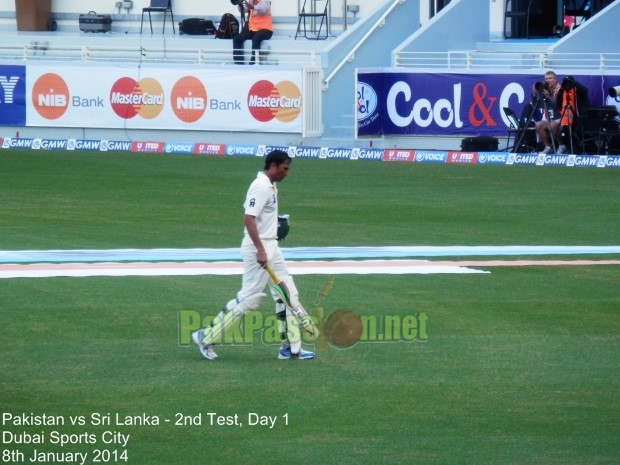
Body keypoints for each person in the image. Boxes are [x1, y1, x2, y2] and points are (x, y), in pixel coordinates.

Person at [192, 150, 315, 361]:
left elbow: (262, 220)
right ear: (273, 166)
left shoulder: (271, 186)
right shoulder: (260, 186)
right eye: (285, 169)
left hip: (271, 247)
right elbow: (248, 219)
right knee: (250, 299)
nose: (287, 173)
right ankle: (206, 336)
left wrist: (275, 232)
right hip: (257, 250)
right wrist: (260, 249)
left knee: (287, 294)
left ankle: (290, 348)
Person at [232, 0, 273, 65]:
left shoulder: (265, 1)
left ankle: (254, 63)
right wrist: (239, 4)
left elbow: (263, 9)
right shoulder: (251, 1)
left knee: (256, 38)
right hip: (253, 29)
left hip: (266, 29)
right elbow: (244, 10)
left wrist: (252, 6)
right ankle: (238, 62)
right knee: (237, 38)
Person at [531, 71, 561, 154]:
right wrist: (534, 95)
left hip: (560, 117)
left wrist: (548, 97)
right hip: (549, 118)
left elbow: (557, 106)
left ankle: (562, 146)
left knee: (552, 125)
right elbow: (536, 106)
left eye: (550, 78)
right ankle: (547, 147)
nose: (548, 80)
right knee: (538, 124)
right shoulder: (545, 90)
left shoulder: (560, 89)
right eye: (546, 79)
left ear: (555, 80)